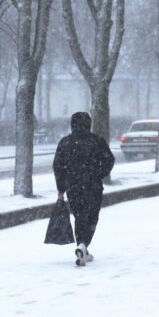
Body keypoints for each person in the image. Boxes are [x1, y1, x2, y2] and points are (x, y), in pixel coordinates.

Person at [53, 111, 115, 267]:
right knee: (91, 217)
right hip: (93, 186)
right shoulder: (97, 141)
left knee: (79, 216)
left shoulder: (65, 143)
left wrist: (61, 188)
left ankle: (82, 245)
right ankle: (83, 244)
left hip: (72, 187)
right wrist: (98, 174)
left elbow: (58, 167)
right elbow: (109, 160)